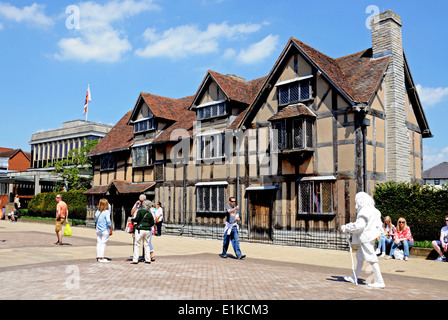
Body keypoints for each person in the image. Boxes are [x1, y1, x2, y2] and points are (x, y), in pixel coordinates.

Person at [341, 192, 385, 289]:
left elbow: (359, 226)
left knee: (372, 258)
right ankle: (354, 277)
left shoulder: (364, 211)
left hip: (366, 237)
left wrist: (347, 227)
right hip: (371, 236)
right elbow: (379, 225)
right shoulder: (375, 210)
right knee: (360, 257)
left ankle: (380, 281)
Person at [131, 200, 155, 264]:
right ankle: (148, 259)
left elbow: (136, 219)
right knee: (147, 245)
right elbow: (152, 222)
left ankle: (135, 259)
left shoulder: (140, 211)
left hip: (139, 229)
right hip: (147, 230)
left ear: (143, 205)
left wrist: (132, 219)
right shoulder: (149, 213)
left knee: (137, 244)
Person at [95, 198, 112, 263]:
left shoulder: (97, 212)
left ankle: (99, 256)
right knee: (103, 243)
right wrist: (110, 227)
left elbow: (96, 220)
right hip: (105, 229)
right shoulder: (107, 212)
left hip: (98, 229)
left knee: (99, 243)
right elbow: (108, 221)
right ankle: (102, 257)